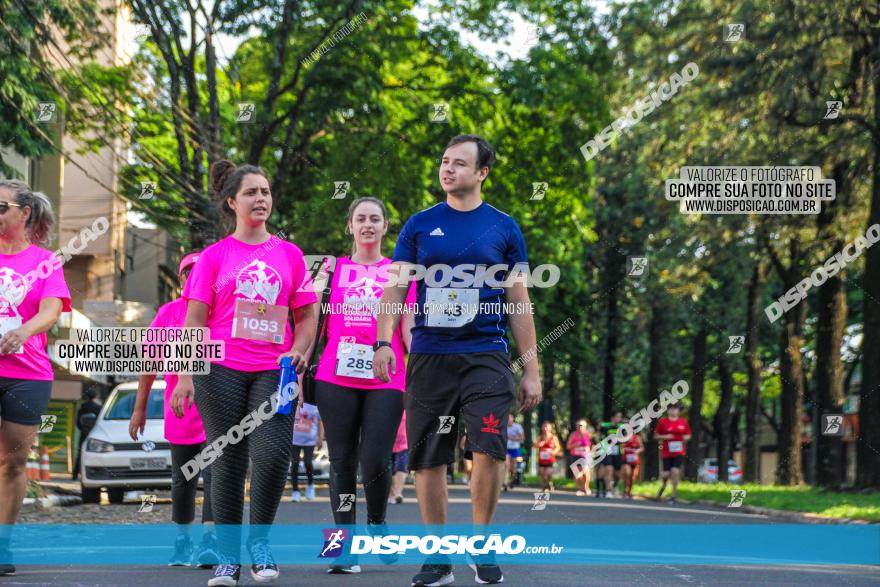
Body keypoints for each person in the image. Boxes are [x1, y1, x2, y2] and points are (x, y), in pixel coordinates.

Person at [373, 135, 542, 587]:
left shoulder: (504, 228)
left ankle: (481, 546)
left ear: (482, 173)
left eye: (460, 164)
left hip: (487, 354)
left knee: (488, 446)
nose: (448, 170)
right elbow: (395, 289)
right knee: (428, 457)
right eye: (445, 162)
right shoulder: (420, 225)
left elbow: (519, 300)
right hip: (430, 355)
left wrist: (531, 369)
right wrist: (384, 343)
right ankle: (437, 556)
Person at [171, 160, 318, 587]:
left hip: (276, 369)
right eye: (252, 192)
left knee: (272, 457)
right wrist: (184, 375)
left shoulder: (289, 254)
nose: (262, 199)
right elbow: (194, 322)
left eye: (266, 192)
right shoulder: (213, 257)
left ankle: (261, 544)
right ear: (232, 201)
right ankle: (228, 557)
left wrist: (297, 349)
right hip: (219, 369)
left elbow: (307, 316)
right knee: (227, 460)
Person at [311, 197, 415, 574]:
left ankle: (377, 522)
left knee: (374, 458)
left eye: (375, 219)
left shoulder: (399, 273)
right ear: (350, 226)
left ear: (386, 227)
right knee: (341, 461)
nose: (368, 225)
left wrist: (424, 368)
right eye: (361, 219)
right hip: (334, 375)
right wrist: (298, 357)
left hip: (387, 376)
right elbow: (312, 322)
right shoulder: (331, 270)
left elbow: (409, 328)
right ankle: (342, 546)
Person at [0, 180, 71, 577]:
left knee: (12, 462)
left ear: (24, 213)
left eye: (1, 206)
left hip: (28, 374)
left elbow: (51, 311)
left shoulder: (45, 261)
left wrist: (22, 333)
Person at [130, 252, 218, 568]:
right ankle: (182, 542)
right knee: (183, 479)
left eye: (202, 272)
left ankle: (210, 541)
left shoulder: (221, 311)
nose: (195, 277)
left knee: (215, 473)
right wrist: (139, 409)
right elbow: (148, 364)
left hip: (217, 407)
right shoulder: (168, 313)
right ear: (180, 280)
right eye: (189, 273)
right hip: (179, 409)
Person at [655, 403, 692, 504]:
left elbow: (688, 435)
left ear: (678, 411)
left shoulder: (683, 422)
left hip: (679, 451)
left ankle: (673, 494)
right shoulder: (662, 422)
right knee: (666, 474)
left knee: (675, 471)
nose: (673, 411)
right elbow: (656, 436)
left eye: (675, 409)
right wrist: (666, 437)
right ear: (668, 411)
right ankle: (664, 485)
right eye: (671, 409)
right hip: (666, 451)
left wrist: (685, 438)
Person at [290, 401, 322, 502]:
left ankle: (310, 485)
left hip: (310, 440)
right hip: (295, 440)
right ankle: (295, 491)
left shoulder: (315, 405)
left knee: (308, 462)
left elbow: (321, 422)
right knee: (294, 463)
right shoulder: (293, 403)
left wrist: (320, 437)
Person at [72, 388, 101, 480]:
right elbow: (99, 422)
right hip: (94, 434)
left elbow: (78, 423)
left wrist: (83, 429)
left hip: (83, 433)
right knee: (95, 453)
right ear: (96, 396)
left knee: (80, 453)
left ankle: (75, 475)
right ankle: (94, 474)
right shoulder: (98, 407)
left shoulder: (82, 407)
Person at [596, 412, 623, 498]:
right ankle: (608, 491)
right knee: (609, 469)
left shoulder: (621, 427)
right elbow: (598, 435)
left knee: (618, 474)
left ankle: (614, 487)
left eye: (620, 417)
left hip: (617, 451)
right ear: (612, 418)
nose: (618, 419)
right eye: (617, 417)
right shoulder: (605, 426)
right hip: (607, 450)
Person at [566, 419, 592, 496]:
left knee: (585, 472)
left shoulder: (588, 434)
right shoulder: (573, 435)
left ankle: (586, 487)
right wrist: (575, 445)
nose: (579, 427)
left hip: (585, 456)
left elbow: (593, 444)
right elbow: (568, 446)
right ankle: (579, 489)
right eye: (577, 425)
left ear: (585, 426)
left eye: (581, 425)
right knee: (576, 473)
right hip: (575, 455)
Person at [536, 421, 562, 492]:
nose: (545, 428)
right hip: (541, 458)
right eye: (544, 426)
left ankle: (549, 483)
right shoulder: (540, 437)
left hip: (550, 458)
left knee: (548, 473)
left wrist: (553, 452)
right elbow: (535, 445)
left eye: (547, 427)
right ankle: (545, 485)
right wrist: (539, 444)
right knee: (542, 473)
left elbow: (558, 447)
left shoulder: (553, 437)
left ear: (550, 428)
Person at [388, 411, 408, 504]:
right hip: (387, 442)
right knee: (389, 469)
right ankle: (391, 494)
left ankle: (398, 493)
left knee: (401, 467)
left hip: (404, 444)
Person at [621, 428, 644, 499]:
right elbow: (620, 447)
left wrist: (638, 451)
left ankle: (629, 492)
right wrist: (623, 449)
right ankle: (625, 490)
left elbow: (642, 448)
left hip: (635, 460)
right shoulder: (623, 438)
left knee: (633, 476)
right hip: (626, 459)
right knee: (627, 474)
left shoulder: (637, 438)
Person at [503, 414, 524, 491]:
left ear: (513, 419)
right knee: (506, 465)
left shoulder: (517, 427)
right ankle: (505, 482)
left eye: (510, 418)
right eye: (507, 418)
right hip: (506, 449)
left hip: (515, 449)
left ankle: (512, 481)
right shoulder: (503, 426)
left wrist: (511, 438)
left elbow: (522, 438)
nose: (508, 419)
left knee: (513, 468)